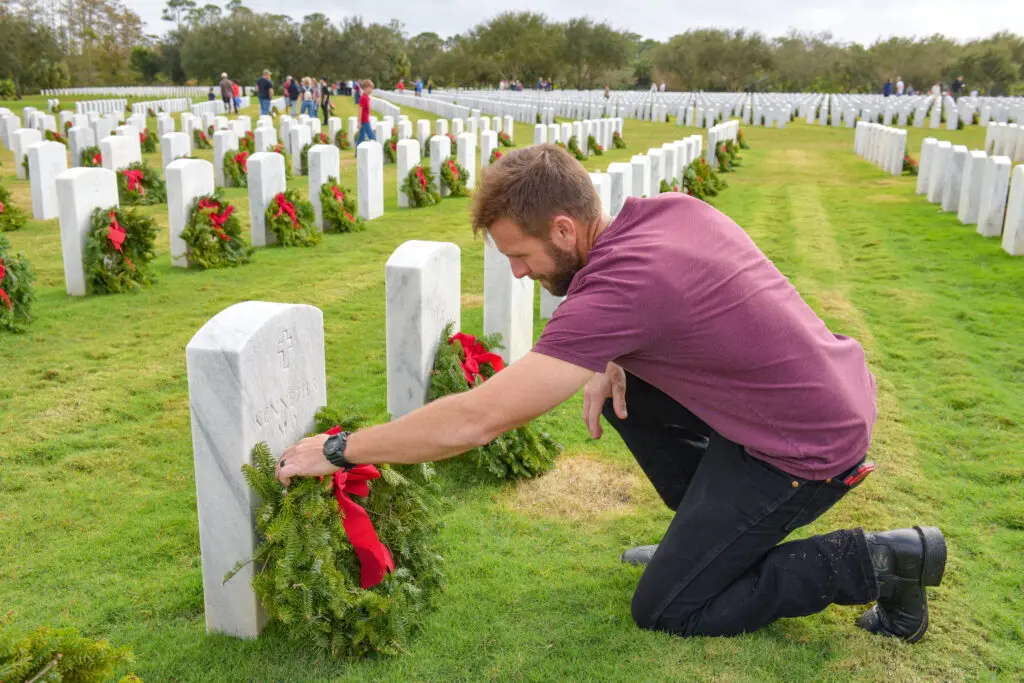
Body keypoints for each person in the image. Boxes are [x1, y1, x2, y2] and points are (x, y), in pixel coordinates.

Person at [277, 144, 947, 644]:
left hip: (809, 443)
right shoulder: (664, 214)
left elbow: (478, 419)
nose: (516, 272)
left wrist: (340, 448)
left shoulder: (619, 291)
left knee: (667, 608)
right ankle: (706, 539)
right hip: (807, 396)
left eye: (520, 254)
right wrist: (617, 354)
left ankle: (883, 560)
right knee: (622, 391)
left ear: (565, 229)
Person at [355, 79, 376, 147]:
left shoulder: (367, 97)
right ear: (365, 88)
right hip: (364, 121)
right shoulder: (363, 97)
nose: (372, 90)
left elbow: (367, 111)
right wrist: (359, 122)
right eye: (371, 88)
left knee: (361, 137)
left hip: (366, 120)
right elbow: (360, 110)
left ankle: (357, 152)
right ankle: (375, 149)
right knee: (372, 137)